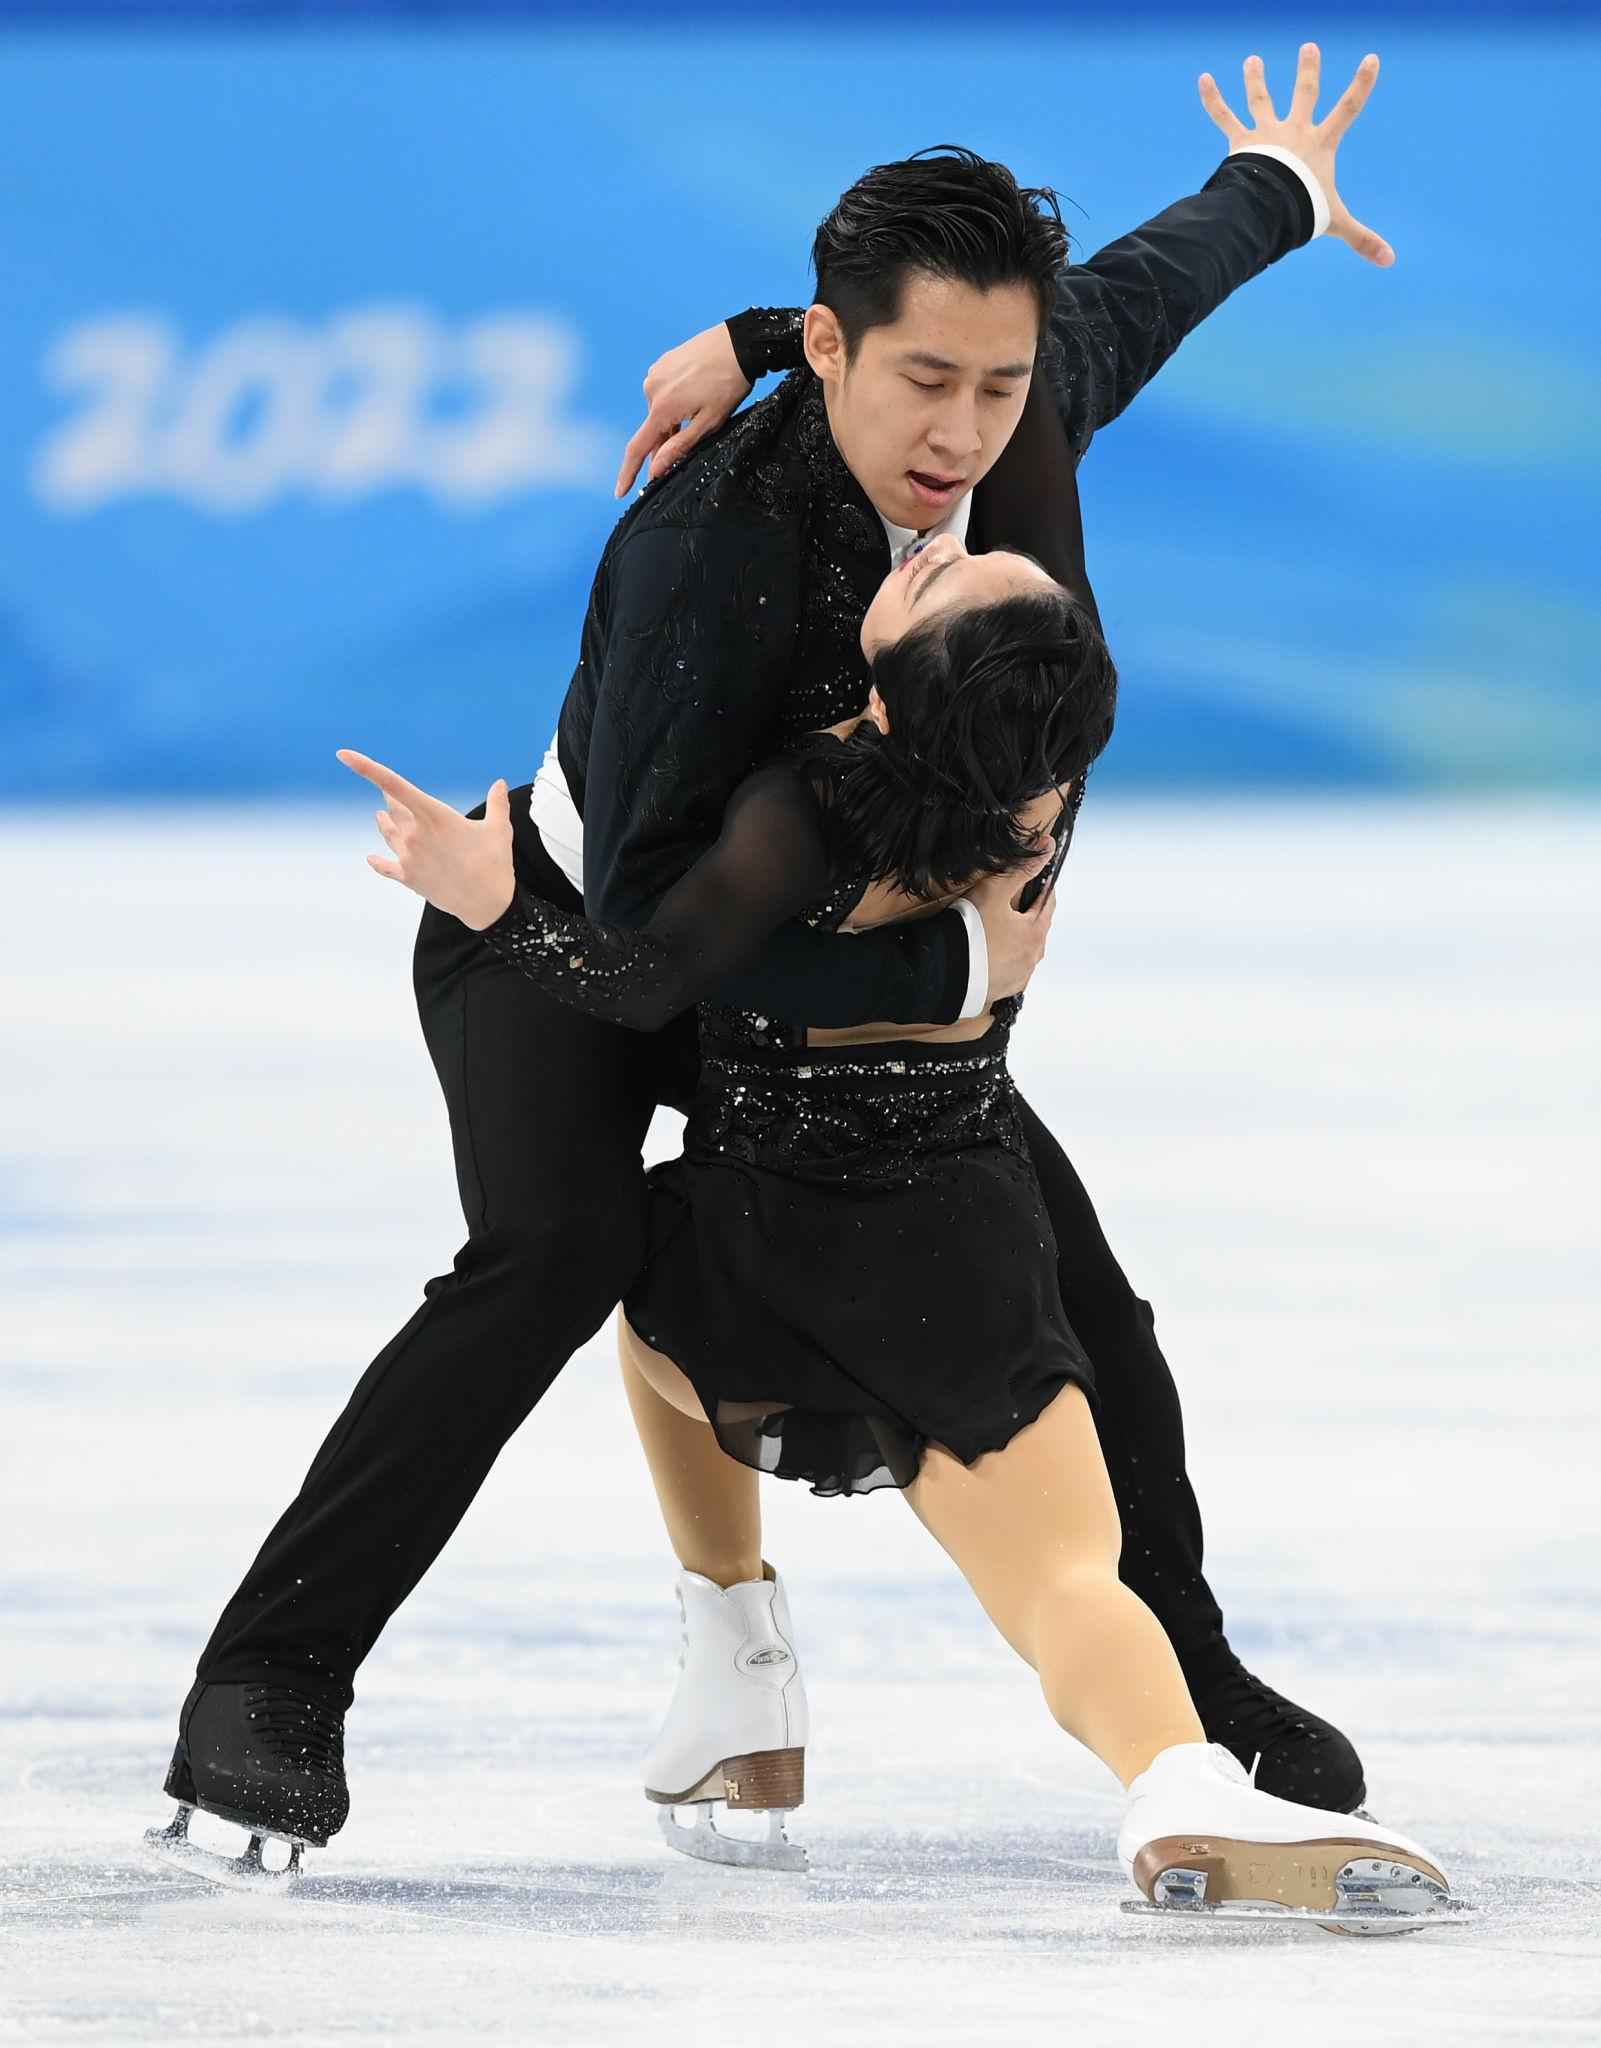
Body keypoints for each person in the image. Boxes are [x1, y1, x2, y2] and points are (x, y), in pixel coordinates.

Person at [151, 47, 1392, 1879]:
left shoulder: (1021, 403)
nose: (963, 432)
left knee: (1082, 1291)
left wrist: (1278, 181)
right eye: (923, 381)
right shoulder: (709, 549)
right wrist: (941, 963)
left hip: (836, 963)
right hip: (576, 926)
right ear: (832, 353)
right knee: (559, 1252)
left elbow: (1157, 281)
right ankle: (268, 1688)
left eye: (998, 384)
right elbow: (652, 938)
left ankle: (1186, 1692)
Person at [338, 543, 1459, 1930]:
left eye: (943, 579)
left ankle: (736, 1648)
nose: (940, 544)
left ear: (895, 685)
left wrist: (494, 899)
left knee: (629, 1273)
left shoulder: (795, 809)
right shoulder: (1039, 793)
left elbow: (643, 980)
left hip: (754, 1250)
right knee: (1065, 1577)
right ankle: (1175, 1776)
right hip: (961, 1252)